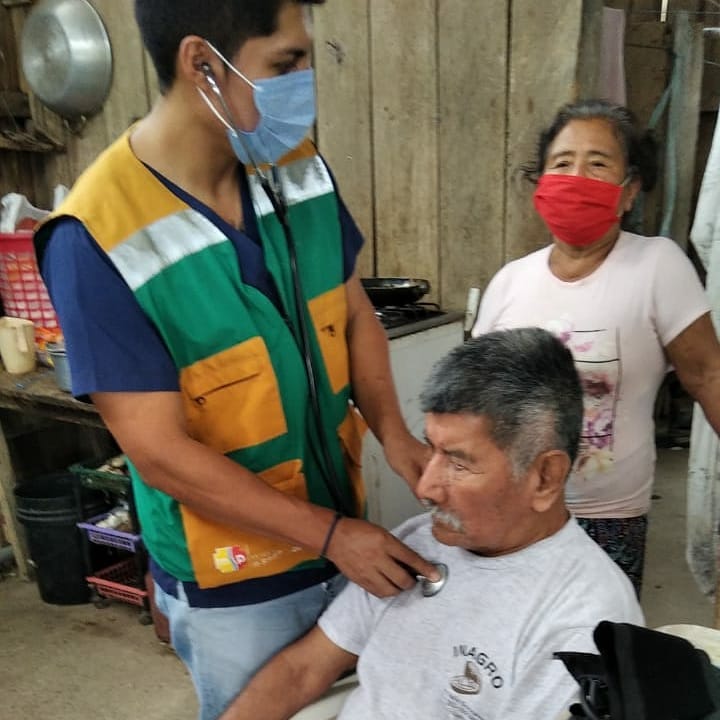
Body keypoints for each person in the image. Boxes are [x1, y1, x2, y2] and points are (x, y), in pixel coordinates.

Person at [33, 2, 439, 718]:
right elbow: (159, 455)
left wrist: (396, 437)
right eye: (285, 63)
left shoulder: (293, 163)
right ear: (202, 63)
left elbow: (351, 312)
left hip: (340, 522)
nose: (305, 80)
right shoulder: (95, 235)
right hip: (235, 575)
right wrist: (332, 537)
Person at [219, 327, 644, 720]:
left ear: (545, 477)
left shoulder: (583, 621)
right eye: (431, 450)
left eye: (458, 463)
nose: (425, 487)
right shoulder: (416, 543)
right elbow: (302, 670)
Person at [472, 99, 720, 596]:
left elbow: (709, 376)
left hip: (607, 519)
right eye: (562, 163)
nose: (576, 177)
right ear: (541, 183)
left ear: (629, 191)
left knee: (600, 639)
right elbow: (475, 402)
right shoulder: (510, 281)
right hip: (509, 509)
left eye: (598, 164)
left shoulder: (656, 266)